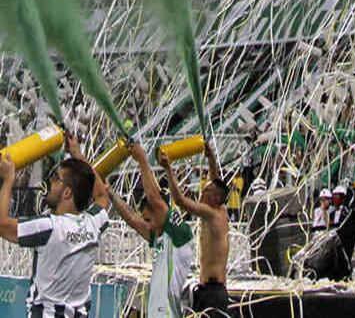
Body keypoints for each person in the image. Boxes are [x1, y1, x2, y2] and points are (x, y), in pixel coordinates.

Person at [0, 134, 110, 318]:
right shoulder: (93, 223)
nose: (50, 181)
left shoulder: (49, 227)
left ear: (67, 193)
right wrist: (78, 156)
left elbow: (2, 225)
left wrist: (8, 179)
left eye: (56, 178)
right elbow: (102, 196)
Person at [109, 143, 193, 318]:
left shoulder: (180, 234)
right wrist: (109, 192)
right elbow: (132, 220)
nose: (147, 225)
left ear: (159, 211)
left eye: (148, 220)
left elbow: (154, 197)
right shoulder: (161, 237)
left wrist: (142, 159)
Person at [160, 144, 230, 318]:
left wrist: (168, 169)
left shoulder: (210, 214)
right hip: (212, 290)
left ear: (215, 198)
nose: (203, 191)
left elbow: (179, 200)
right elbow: (215, 181)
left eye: (207, 191)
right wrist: (211, 157)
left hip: (212, 293)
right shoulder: (220, 209)